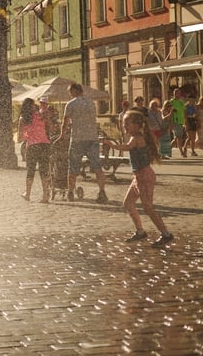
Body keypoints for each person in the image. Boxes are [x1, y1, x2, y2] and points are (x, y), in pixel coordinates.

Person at [102, 111, 174, 247]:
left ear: (137, 125)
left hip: (145, 177)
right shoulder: (136, 136)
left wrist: (111, 145)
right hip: (138, 177)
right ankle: (140, 232)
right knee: (128, 203)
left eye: (127, 123)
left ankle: (166, 234)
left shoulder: (137, 138)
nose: (124, 126)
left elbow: (126, 148)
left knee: (148, 207)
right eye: (123, 124)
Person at [55, 82, 108, 204]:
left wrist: (62, 136)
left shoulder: (71, 104)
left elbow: (65, 122)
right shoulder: (91, 103)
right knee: (97, 167)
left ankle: (70, 192)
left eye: (70, 92)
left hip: (77, 139)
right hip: (92, 139)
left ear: (74, 91)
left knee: (72, 167)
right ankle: (102, 192)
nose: (69, 95)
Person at [18, 97, 51, 203]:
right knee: (44, 171)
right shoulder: (40, 115)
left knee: (30, 171)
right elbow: (49, 128)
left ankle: (27, 194)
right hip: (44, 145)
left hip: (32, 146)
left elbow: (20, 138)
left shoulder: (23, 119)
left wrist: (27, 135)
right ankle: (45, 196)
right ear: (32, 106)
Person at [168, 88, 187, 157]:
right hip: (175, 121)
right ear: (174, 94)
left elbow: (184, 111)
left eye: (179, 93)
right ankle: (181, 152)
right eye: (177, 93)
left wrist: (185, 121)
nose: (178, 95)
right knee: (178, 137)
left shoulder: (181, 102)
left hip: (181, 122)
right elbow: (169, 111)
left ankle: (167, 150)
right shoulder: (171, 102)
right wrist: (170, 122)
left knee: (178, 137)